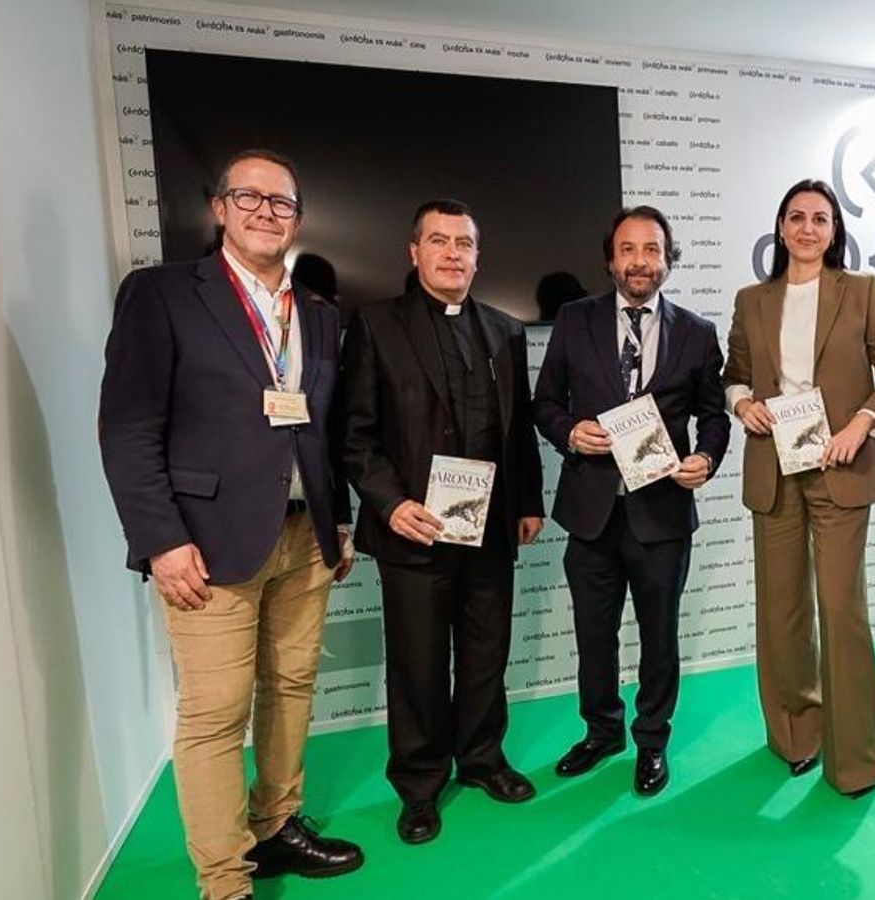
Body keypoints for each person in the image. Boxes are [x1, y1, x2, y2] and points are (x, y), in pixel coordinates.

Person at [98, 149, 363, 900]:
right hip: (205, 544)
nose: (265, 212)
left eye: (281, 202)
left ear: (298, 219)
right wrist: (159, 539)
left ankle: (277, 827)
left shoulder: (318, 313)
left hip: (303, 537)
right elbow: (127, 426)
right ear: (219, 208)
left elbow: (322, 429)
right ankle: (225, 880)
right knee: (216, 714)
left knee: (291, 687)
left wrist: (337, 521)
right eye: (248, 197)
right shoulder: (162, 295)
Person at [337, 199, 545, 845]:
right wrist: (392, 504)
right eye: (439, 241)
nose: (453, 253)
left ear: (478, 256)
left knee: (486, 652)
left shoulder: (506, 330)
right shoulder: (374, 325)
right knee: (419, 663)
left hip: (488, 526)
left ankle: (482, 758)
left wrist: (529, 501)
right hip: (414, 528)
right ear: (414, 252)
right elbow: (355, 436)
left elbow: (519, 433)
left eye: (464, 243)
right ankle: (420, 785)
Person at [721, 179, 875, 796]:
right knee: (781, 611)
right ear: (780, 228)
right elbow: (735, 373)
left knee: (839, 607)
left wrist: (861, 423)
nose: (808, 228)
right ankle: (795, 736)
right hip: (773, 467)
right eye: (797, 217)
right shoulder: (752, 299)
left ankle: (855, 759)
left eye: (821, 219)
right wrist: (740, 400)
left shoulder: (860, 292)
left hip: (840, 465)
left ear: (834, 232)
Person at [533, 206, 730, 796]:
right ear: (610, 259)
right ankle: (600, 732)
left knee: (659, 634)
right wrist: (569, 431)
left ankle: (651, 741)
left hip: (662, 512)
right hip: (591, 511)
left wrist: (706, 459)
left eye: (652, 249)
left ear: (668, 259)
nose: (640, 260)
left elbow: (713, 414)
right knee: (594, 635)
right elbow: (544, 403)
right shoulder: (574, 320)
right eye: (628, 249)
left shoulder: (696, 331)